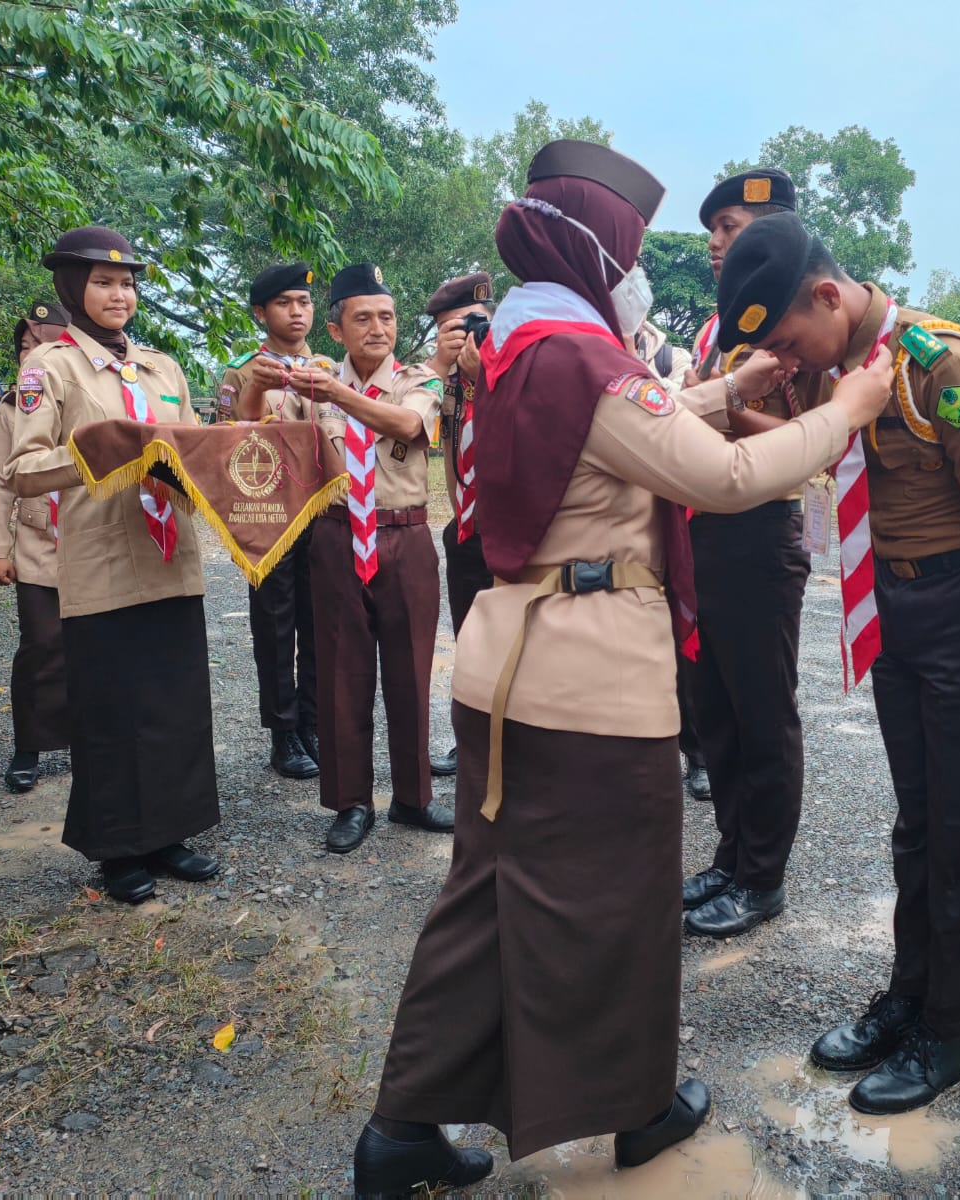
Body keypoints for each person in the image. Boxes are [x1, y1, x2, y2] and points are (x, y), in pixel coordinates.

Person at [350, 141, 895, 1194]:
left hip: (512, 670)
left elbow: (611, 442)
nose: (641, 270)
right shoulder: (583, 354)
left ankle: (400, 1130)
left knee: (486, 899)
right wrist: (844, 414)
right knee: (620, 900)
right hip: (586, 686)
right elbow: (728, 476)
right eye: (636, 249)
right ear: (600, 246)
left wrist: (727, 383)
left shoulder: (522, 340)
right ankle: (634, 1107)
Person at [717, 212, 960, 1115]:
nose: (791, 357)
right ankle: (909, 995)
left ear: (829, 294)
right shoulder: (835, 369)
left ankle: (952, 1029)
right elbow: (805, 446)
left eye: (790, 336)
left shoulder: (937, 364)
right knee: (919, 823)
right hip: (892, 607)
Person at [8, 225, 221, 904]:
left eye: (127, 282)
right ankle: (118, 848)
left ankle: (170, 832)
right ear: (73, 288)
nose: (119, 294)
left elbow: (192, 451)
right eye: (103, 281)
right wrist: (100, 455)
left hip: (171, 557)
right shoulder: (50, 368)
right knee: (112, 710)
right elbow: (20, 470)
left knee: (174, 703)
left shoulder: (164, 367)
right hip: (102, 561)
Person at [674, 167, 814, 938]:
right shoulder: (719, 327)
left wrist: (719, 408)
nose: (717, 245)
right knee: (715, 707)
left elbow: (811, 446)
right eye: (714, 233)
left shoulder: (795, 323)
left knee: (763, 711)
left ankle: (763, 878)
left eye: (729, 228)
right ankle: (730, 854)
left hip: (761, 531)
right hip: (706, 530)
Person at [282, 262, 449, 853]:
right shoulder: (310, 386)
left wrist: (342, 396)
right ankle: (351, 802)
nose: (378, 328)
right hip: (334, 536)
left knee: (411, 669)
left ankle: (413, 798)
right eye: (363, 318)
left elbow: (408, 424)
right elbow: (263, 432)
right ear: (336, 330)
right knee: (341, 672)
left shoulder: (419, 379)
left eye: (387, 316)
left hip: (404, 538)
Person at [219, 262, 320, 781]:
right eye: (284, 303)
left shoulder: (329, 366)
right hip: (270, 515)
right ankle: (283, 733)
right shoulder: (241, 370)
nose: (297, 312)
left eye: (303, 302)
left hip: (325, 512)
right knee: (277, 625)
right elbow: (226, 445)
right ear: (261, 312)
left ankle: (313, 723)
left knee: (321, 621)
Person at [0, 300, 72, 792]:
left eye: (45, 344)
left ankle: (93, 736)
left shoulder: (94, 390)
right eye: (25, 345)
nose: (32, 354)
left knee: (98, 645)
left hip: (95, 540)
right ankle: (29, 746)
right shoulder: (14, 404)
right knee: (41, 645)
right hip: (39, 544)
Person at [422, 271, 494, 780]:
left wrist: (487, 373)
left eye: (478, 323)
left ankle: (514, 748)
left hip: (511, 532)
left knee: (516, 646)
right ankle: (470, 743)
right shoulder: (436, 381)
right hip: (463, 528)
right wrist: (440, 365)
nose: (469, 334)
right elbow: (402, 420)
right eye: (455, 327)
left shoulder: (516, 367)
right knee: (468, 644)